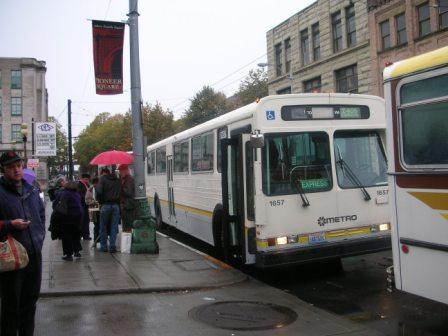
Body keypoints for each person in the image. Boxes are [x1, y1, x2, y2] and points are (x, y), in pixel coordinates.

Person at [0, 151, 45, 335]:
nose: (16, 170)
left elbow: (41, 215)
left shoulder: (32, 189)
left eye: (18, 165)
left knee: (30, 301)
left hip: (33, 253)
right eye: (11, 167)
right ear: (3, 169)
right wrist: (10, 224)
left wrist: (40, 237)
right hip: (12, 257)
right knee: (12, 305)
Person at [53, 181, 83, 261]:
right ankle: (77, 251)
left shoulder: (64, 193)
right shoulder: (77, 194)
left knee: (67, 236)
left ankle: (68, 254)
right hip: (78, 217)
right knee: (76, 235)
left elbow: (56, 203)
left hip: (67, 218)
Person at [96, 167, 121, 253]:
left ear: (103, 173)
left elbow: (98, 192)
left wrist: (100, 201)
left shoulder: (102, 179)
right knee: (114, 227)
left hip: (105, 205)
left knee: (103, 227)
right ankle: (112, 246)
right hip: (115, 206)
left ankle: (103, 247)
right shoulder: (117, 180)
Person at [118, 164, 135, 232]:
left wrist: (120, 188)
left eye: (120, 171)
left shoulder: (129, 179)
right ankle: (127, 237)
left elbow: (128, 192)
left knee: (128, 225)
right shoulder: (124, 179)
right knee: (125, 225)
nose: (119, 172)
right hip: (125, 205)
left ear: (125, 170)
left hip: (128, 206)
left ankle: (128, 239)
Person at [85, 176, 100, 244]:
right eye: (94, 184)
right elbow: (87, 200)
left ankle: (100, 240)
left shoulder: (100, 189)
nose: (95, 185)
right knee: (96, 225)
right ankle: (96, 240)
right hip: (94, 209)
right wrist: (93, 202)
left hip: (100, 209)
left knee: (100, 225)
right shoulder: (90, 190)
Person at [78, 173, 91, 240]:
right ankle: (80, 235)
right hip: (82, 205)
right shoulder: (79, 184)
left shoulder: (87, 185)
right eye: (85, 179)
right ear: (82, 179)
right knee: (82, 220)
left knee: (86, 220)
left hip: (86, 205)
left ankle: (86, 235)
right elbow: (79, 194)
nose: (87, 180)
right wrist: (85, 197)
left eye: (87, 179)